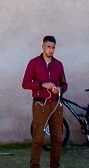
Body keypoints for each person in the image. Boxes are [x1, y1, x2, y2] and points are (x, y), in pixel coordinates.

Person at [22, 35, 67, 168]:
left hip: (56, 105)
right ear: (43, 47)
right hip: (40, 104)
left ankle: (55, 165)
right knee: (38, 139)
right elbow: (25, 84)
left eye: (53, 48)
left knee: (57, 139)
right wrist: (42, 84)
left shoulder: (58, 64)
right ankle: (34, 165)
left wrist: (60, 88)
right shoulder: (34, 63)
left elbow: (64, 84)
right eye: (48, 47)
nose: (51, 50)